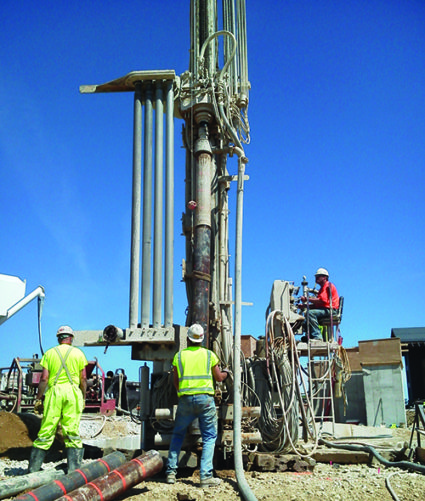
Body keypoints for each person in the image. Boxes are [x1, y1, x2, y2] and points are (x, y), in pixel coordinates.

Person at [165, 323, 230, 488]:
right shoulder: (210, 355)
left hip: (185, 399)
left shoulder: (179, 356)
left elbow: (175, 381)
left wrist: (183, 393)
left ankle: (171, 473)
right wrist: (227, 372)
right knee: (209, 437)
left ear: (188, 338)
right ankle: (205, 476)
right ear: (202, 339)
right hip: (205, 400)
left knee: (178, 435)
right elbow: (219, 378)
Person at [28, 325, 88, 473]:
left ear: (58, 338)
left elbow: (44, 378)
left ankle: (33, 470)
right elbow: (84, 378)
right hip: (73, 393)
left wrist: (39, 398)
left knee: (47, 429)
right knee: (72, 430)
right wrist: (83, 396)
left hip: (54, 392)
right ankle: (74, 470)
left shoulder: (50, 353)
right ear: (71, 338)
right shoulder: (79, 353)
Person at [298, 268, 339, 341]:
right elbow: (318, 305)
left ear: (325, 277)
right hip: (325, 309)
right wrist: (304, 306)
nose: (316, 278)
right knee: (305, 320)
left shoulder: (327, 286)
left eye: (318, 276)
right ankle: (310, 336)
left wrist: (306, 299)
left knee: (310, 314)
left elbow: (321, 301)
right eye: (316, 276)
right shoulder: (322, 289)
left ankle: (317, 337)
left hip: (331, 310)